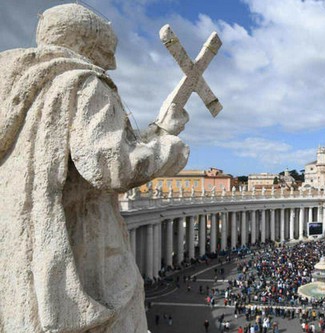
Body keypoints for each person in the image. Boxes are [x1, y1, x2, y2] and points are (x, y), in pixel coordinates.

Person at [0, 3, 189, 332]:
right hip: (85, 239)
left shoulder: (19, 90)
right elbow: (112, 165)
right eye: (107, 52)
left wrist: (158, 129)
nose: (112, 64)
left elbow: (94, 147)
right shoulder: (83, 83)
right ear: (87, 44)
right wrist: (169, 147)